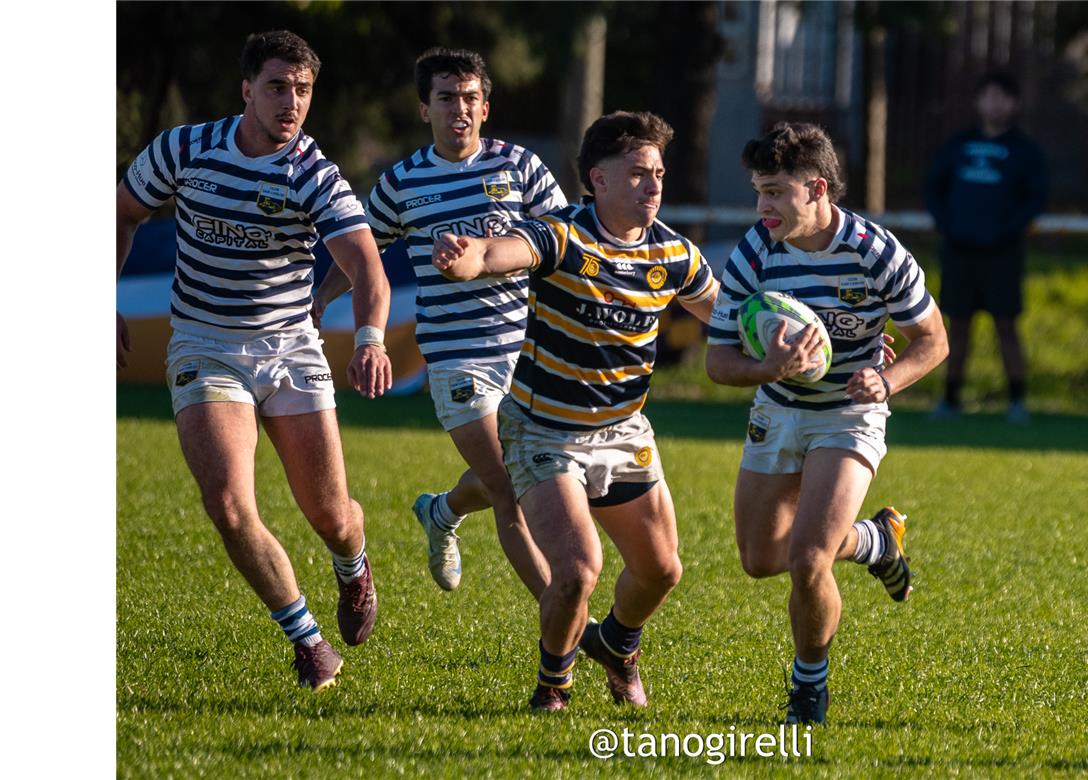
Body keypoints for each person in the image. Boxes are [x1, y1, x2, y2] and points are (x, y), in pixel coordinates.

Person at [116, 31, 393, 691]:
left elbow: (367, 269)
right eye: (277, 87)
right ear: (247, 90)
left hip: (290, 348)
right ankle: (309, 644)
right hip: (205, 344)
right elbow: (120, 212)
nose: (291, 102)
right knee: (229, 506)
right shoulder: (184, 149)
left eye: (302, 90)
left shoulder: (314, 174)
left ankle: (353, 568)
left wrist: (372, 338)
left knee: (330, 514)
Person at [430, 111, 718, 712]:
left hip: (623, 432)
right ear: (598, 179)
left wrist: (802, 340)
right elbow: (497, 253)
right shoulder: (563, 236)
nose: (653, 185)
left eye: (659, 173)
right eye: (638, 173)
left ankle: (617, 644)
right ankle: (552, 688)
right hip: (544, 431)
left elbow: (732, 318)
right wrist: (467, 257)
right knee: (578, 570)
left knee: (662, 571)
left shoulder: (674, 254)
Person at [705, 123, 949, 724]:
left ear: (817, 189)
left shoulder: (876, 252)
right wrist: (767, 367)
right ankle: (874, 540)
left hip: (850, 415)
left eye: (775, 193)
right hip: (779, 411)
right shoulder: (755, 252)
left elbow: (934, 340)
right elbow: (716, 361)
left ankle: (808, 688)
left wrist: (885, 381)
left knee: (810, 558)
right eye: (758, 192)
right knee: (762, 559)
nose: (763, 207)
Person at [314, 48, 563, 599]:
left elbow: (561, 244)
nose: (460, 109)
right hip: (456, 358)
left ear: (486, 107)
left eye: (470, 98)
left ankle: (442, 510)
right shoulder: (402, 182)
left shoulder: (520, 166)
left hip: (530, 355)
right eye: (446, 97)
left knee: (531, 474)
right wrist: (320, 299)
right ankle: (568, 625)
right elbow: (360, 253)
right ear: (424, 108)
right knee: (512, 486)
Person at [923, 70, 1047, 423]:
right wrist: (951, 226)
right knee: (956, 326)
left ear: (1014, 103)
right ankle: (950, 399)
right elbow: (933, 189)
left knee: (1006, 326)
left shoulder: (1025, 151)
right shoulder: (957, 146)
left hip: (1003, 255)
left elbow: (1035, 198)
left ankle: (1017, 402)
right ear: (979, 101)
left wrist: (1004, 231)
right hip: (960, 252)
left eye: (1002, 97)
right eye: (989, 96)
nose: (995, 104)